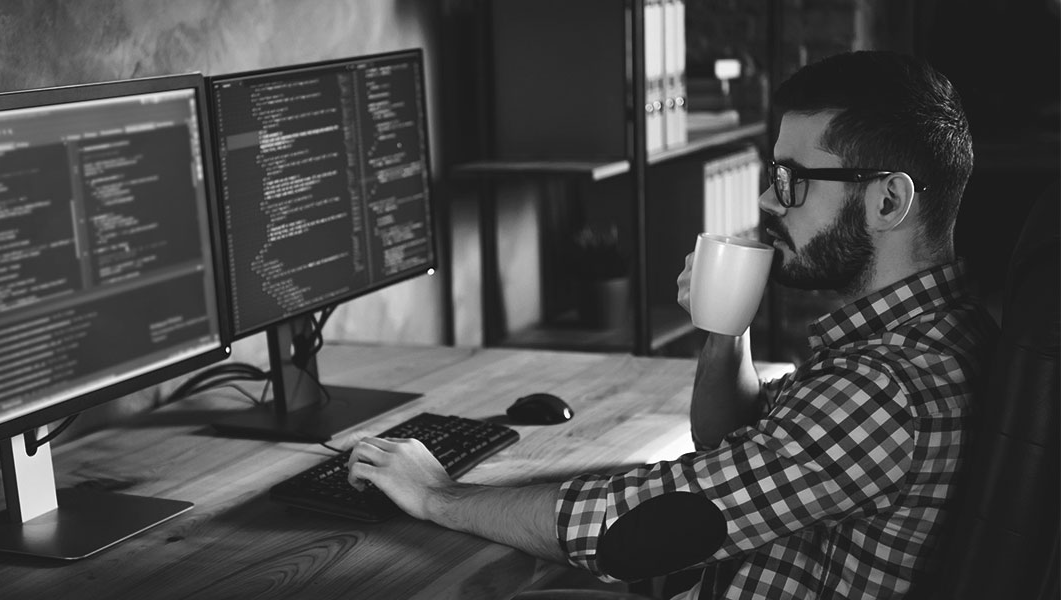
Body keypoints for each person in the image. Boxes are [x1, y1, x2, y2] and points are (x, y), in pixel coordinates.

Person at [346, 50, 998, 599]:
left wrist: (439, 496)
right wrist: (725, 326)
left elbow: (643, 524)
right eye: (774, 173)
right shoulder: (926, 333)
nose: (769, 199)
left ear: (889, 199)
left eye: (794, 180)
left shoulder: (885, 389)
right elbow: (733, 445)